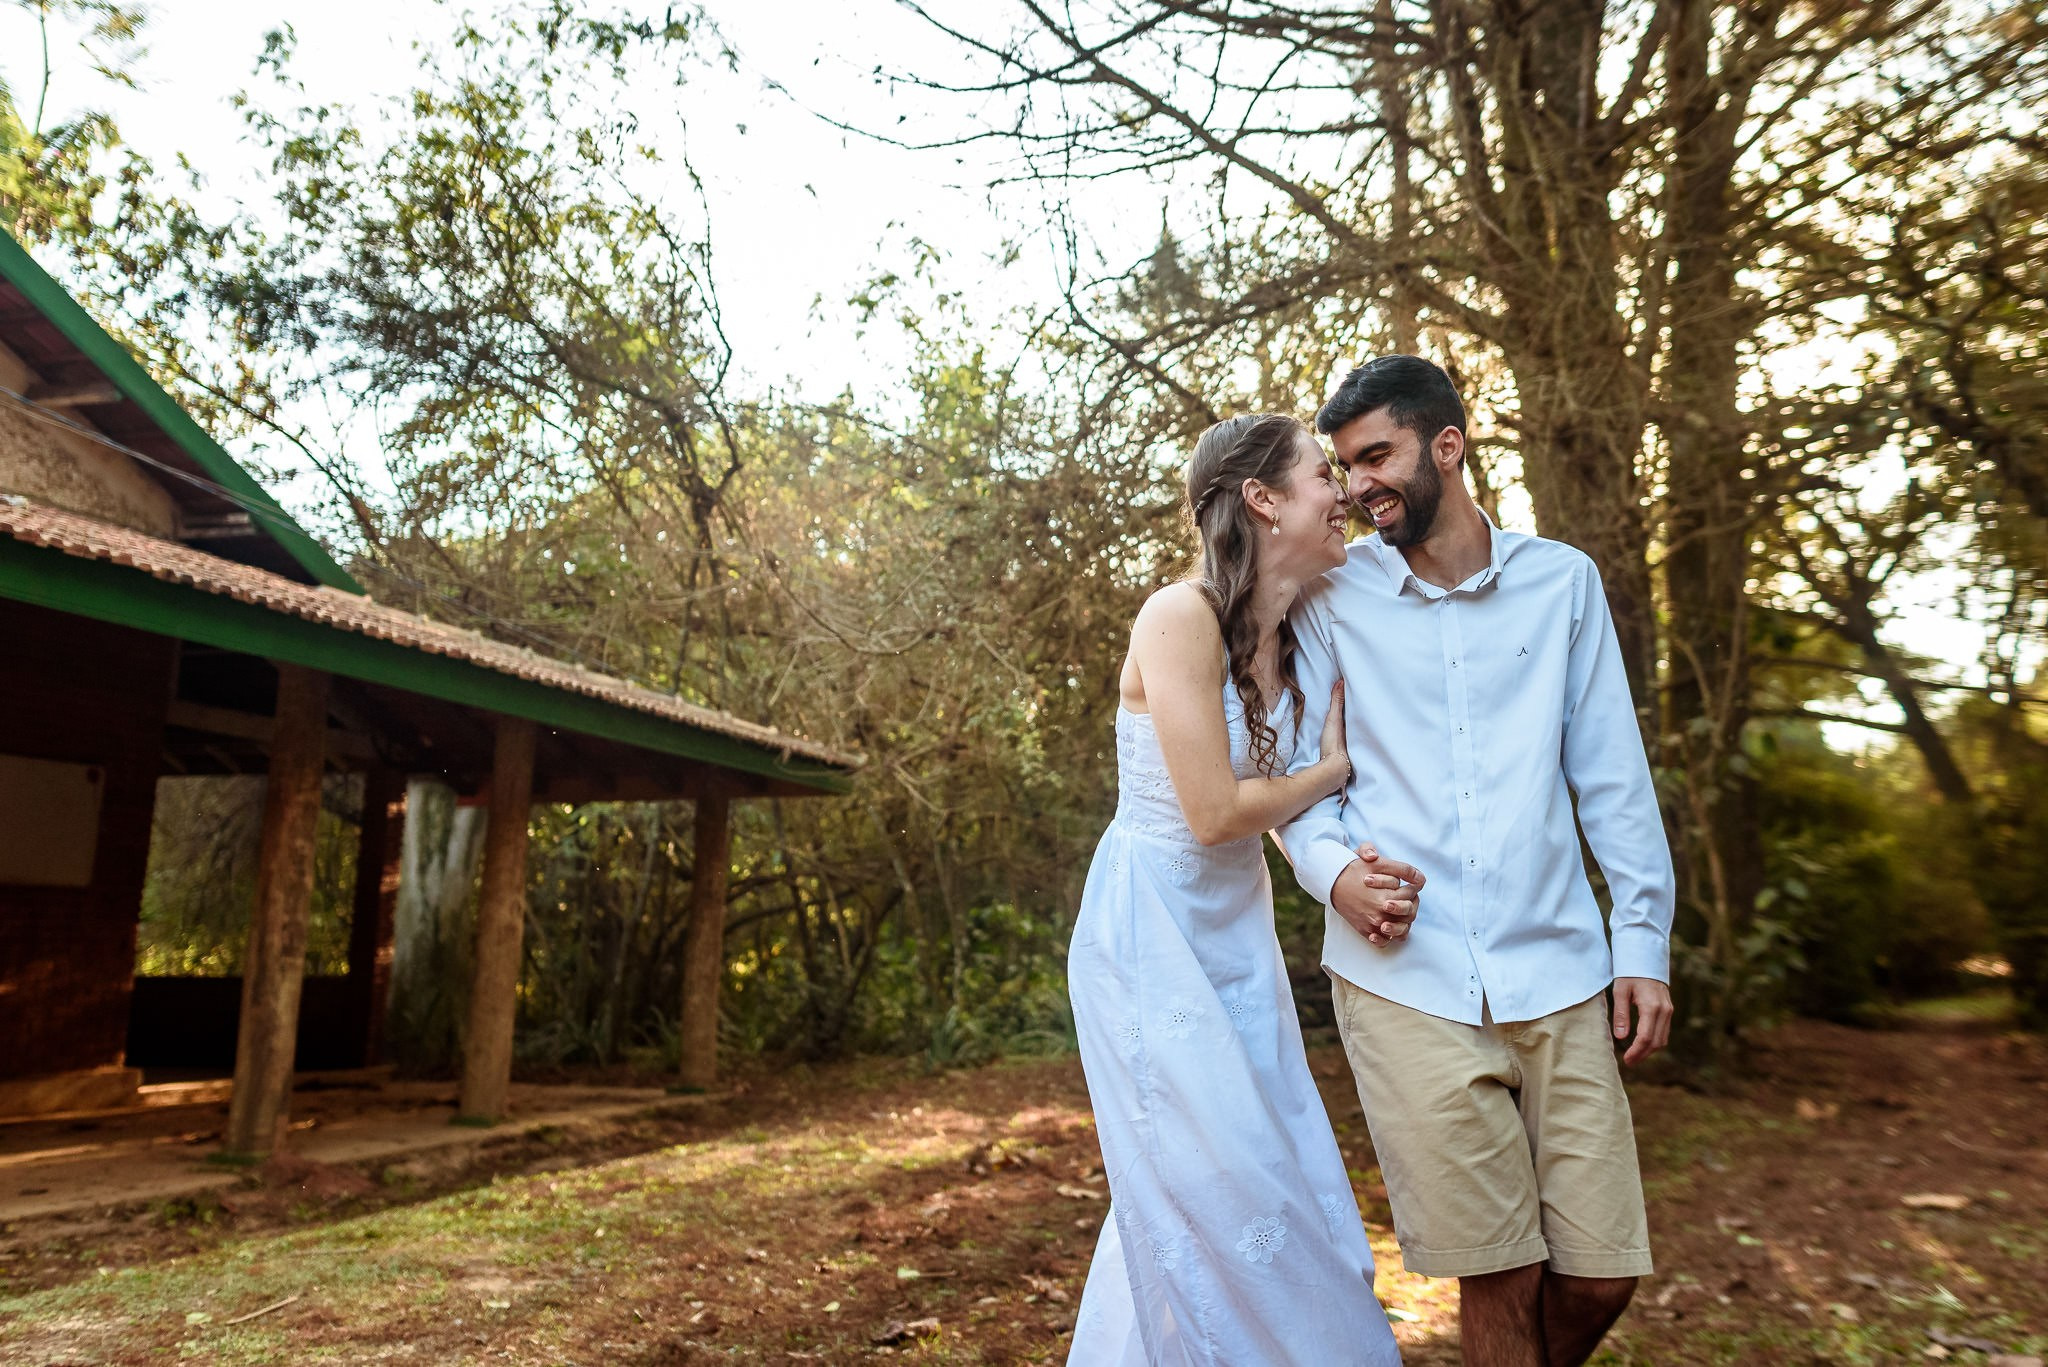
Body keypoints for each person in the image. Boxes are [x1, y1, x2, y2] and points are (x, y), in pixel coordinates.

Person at [1275, 355, 1677, 1367]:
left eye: (1377, 455)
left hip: (1555, 968)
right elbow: (1294, 778)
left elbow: (1612, 781)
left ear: (1445, 445)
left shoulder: (1562, 585)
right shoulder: (1330, 597)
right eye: (1343, 463)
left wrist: (1642, 942)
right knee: (1495, 1267)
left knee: (1598, 1270)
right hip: (1403, 974)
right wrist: (1333, 873)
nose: (1357, 482)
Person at [1066, 413, 1406, 1366]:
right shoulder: (1177, 616)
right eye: (1320, 475)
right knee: (1222, 1181)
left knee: (1259, 1172)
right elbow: (1214, 811)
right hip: (1151, 937)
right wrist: (1326, 773)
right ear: (1261, 500)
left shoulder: (1303, 622)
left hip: (1236, 934)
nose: (1342, 493)